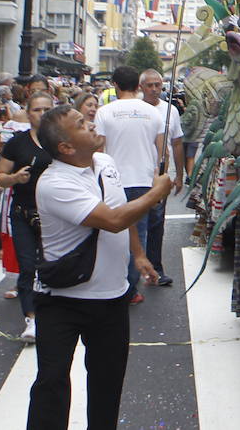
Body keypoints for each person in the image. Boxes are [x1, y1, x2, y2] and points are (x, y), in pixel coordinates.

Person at [28, 105, 171, 430]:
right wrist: (156, 192)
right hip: (61, 300)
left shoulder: (105, 162)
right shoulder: (55, 184)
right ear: (66, 147)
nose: (91, 124)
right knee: (52, 385)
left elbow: (120, 208)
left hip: (111, 298)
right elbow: (114, 220)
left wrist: (138, 254)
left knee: (107, 385)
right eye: (81, 124)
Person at [94, 67, 165, 303]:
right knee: (140, 233)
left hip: (113, 180)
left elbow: (99, 148)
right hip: (144, 179)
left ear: (115, 84)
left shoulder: (104, 112)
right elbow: (160, 149)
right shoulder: (153, 112)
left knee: (112, 233)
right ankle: (131, 288)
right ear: (138, 86)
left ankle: (115, 283)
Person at [0, 91, 56, 342]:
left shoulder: (61, 142)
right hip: (23, 213)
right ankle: (30, 319)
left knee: (51, 266)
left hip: (54, 214)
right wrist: (14, 178)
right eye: (37, 110)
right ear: (28, 113)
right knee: (27, 266)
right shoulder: (17, 143)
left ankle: (52, 315)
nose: (42, 114)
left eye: (46, 110)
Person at [137, 70, 183, 288]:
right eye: (150, 85)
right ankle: (132, 271)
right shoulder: (134, 109)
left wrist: (179, 175)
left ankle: (155, 268)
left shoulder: (170, 110)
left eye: (158, 85)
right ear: (141, 87)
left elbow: (177, 143)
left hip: (160, 175)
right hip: (136, 175)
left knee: (156, 224)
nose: (155, 89)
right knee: (134, 224)